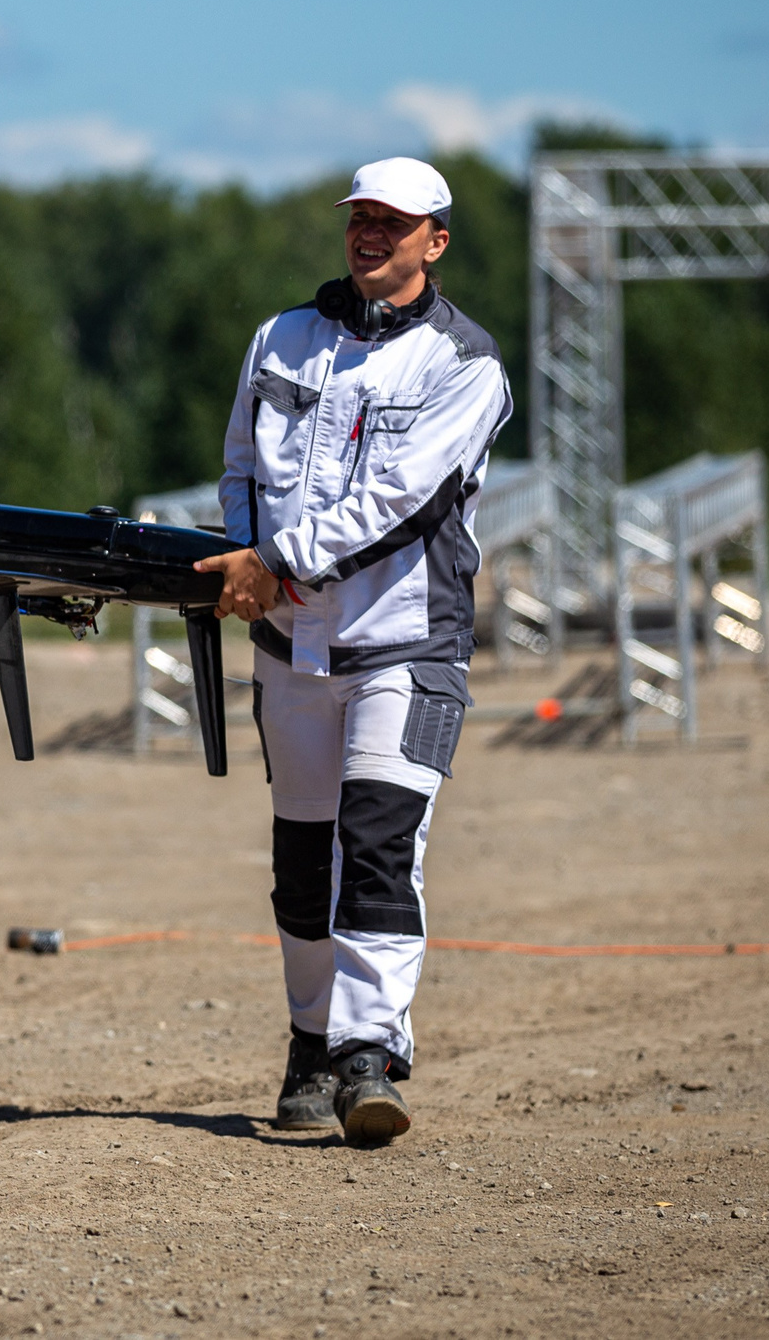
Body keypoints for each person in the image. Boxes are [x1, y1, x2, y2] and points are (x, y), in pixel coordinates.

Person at [194, 156, 513, 1147]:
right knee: (300, 862)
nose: (370, 234)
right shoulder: (280, 338)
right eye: (359, 218)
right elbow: (240, 464)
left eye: (393, 221)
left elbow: (400, 502)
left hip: (405, 647)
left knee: (376, 847)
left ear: (436, 241)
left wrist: (273, 563)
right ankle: (307, 1043)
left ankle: (367, 1058)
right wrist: (248, 560)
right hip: (290, 645)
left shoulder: (466, 366)